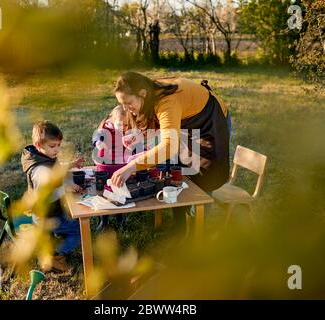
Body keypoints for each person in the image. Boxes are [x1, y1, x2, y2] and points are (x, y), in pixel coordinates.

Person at [110, 72, 231, 235]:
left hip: (210, 121)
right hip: (189, 122)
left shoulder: (167, 101)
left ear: (142, 94)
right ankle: (179, 228)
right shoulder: (148, 92)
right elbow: (156, 121)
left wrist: (131, 167)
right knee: (178, 172)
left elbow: (168, 146)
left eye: (128, 103)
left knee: (204, 175)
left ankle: (197, 233)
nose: (126, 108)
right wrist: (138, 134)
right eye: (121, 104)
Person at [21, 120, 84, 273]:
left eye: (58, 146)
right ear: (38, 144)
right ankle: (52, 256)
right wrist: (65, 188)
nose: (56, 150)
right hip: (45, 216)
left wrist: (71, 164)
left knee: (74, 223)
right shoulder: (39, 169)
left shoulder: (43, 157)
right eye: (52, 146)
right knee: (80, 232)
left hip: (51, 211)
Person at [92, 105, 138, 232]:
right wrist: (98, 143)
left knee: (119, 190)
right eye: (119, 124)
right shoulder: (105, 128)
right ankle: (104, 219)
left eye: (126, 124)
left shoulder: (128, 129)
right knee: (104, 192)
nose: (122, 127)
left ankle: (120, 216)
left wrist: (132, 144)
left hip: (120, 164)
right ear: (112, 120)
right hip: (105, 164)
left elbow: (135, 141)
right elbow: (97, 137)